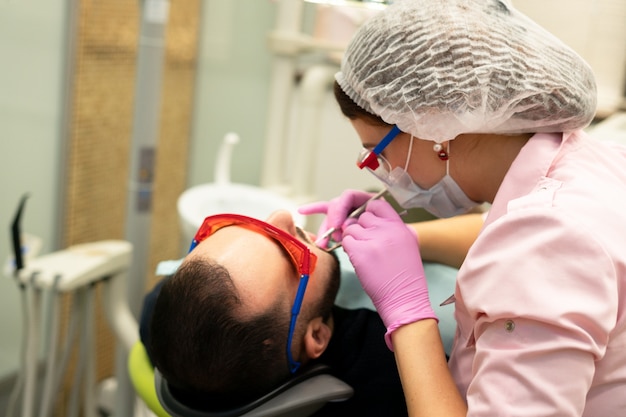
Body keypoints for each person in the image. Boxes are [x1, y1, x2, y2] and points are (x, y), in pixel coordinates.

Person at [298, 0, 626, 415]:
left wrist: (408, 313)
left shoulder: (548, 241)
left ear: (434, 124)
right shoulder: (593, 162)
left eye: (374, 153)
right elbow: (508, 230)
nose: (381, 171)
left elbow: (539, 249)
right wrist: (407, 240)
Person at [142, 209, 459, 416]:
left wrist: (413, 237)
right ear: (318, 335)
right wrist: (408, 310)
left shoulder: (162, 318)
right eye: (290, 254)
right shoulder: (389, 374)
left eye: (251, 226)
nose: (281, 216)